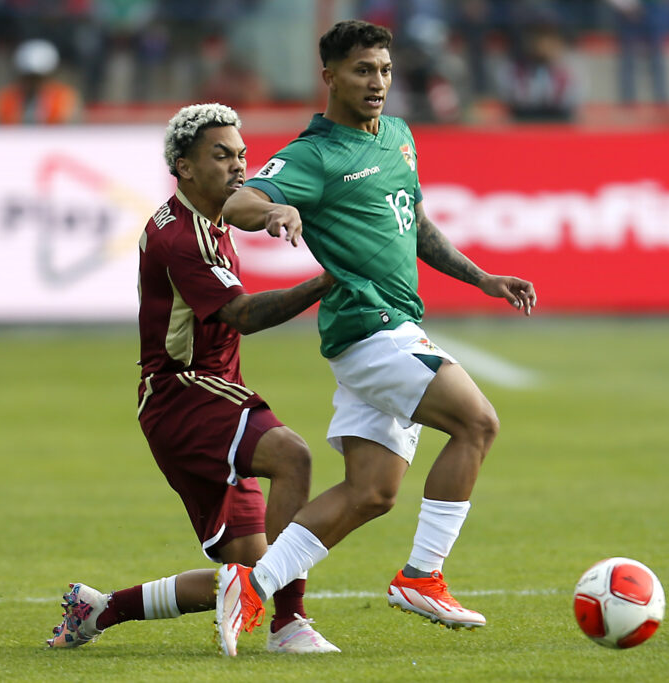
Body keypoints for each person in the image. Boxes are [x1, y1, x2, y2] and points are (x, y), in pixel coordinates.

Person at [217, 20, 537, 657]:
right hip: (371, 327)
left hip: (390, 329)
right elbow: (237, 203)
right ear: (331, 77)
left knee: (372, 492)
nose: (378, 82)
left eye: (385, 70)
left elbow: (415, 223)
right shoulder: (314, 155)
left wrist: (481, 277)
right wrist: (278, 208)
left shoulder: (398, 136)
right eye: (363, 70)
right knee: (477, 423)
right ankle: (422, 576)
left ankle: (251, 588)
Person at [45, 103, 340, 655]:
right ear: (184, 167)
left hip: (190, 396)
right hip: (185, 393)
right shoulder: (185, 238)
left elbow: (249, 212)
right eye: (221, 155)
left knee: (249, 569)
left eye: (242, 155)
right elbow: (244, 315)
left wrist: (278, 209)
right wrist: (326, 281)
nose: (238, 166)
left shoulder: (194, 216)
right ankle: (289, 624)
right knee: (293, 457)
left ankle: (101, 609)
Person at [0, 38, 80, 124]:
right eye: (29, 77)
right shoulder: (8, 97)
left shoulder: (64, 97)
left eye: (39, 78)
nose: (34, 83)